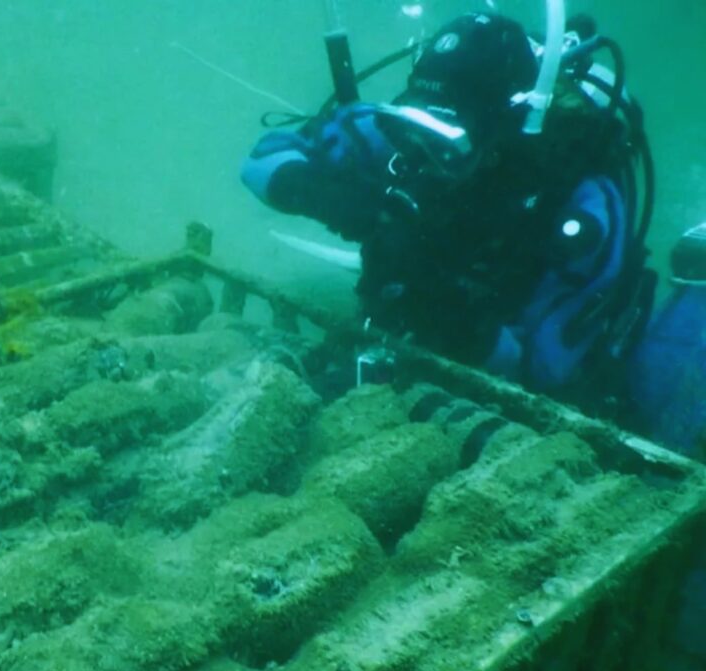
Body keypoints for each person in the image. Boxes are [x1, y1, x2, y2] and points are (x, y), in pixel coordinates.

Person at [241, 12, 655, 415]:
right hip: (408, 320)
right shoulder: (398, 136)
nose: (422, 153)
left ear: (506, 128)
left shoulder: (582, 206)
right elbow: (263, 159)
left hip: (492, 356)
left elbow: (547, 371)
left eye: (442, 139)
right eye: (414, 126)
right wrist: (344, 204)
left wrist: (442, 307)